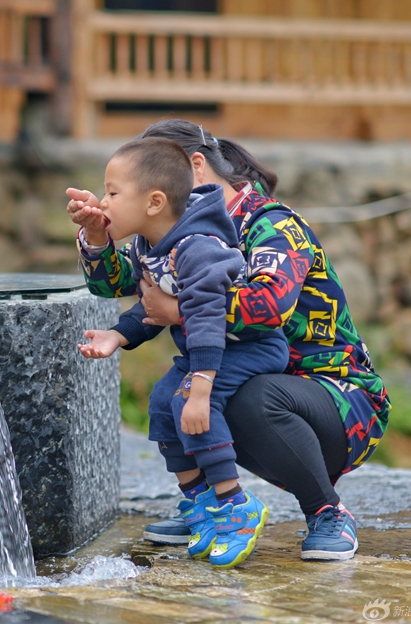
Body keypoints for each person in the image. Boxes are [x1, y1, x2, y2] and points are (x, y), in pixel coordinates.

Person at [69, 119, 390, 562]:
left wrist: (175, 310)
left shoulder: (272, 224)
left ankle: (327, 512)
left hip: (336, 397)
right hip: (249, 371)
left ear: (193, 167)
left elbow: (269, 304)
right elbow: (118, 282)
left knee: (238, 393)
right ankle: (214, 506)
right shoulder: (169, 233)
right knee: (175, 396)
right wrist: (97, 234)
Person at [77, 137, 288, 569]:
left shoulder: (198, 247)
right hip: (207, 350)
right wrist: (118, 335)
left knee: (188, 404)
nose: (104, 201)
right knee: (161, 404)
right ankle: (201, 504)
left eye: (113, 193)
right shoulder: (149, 246)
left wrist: (201, 388)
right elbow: (152, 305)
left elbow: (207, 316)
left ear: (154, 202)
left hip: (248, 348)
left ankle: (236, 507)